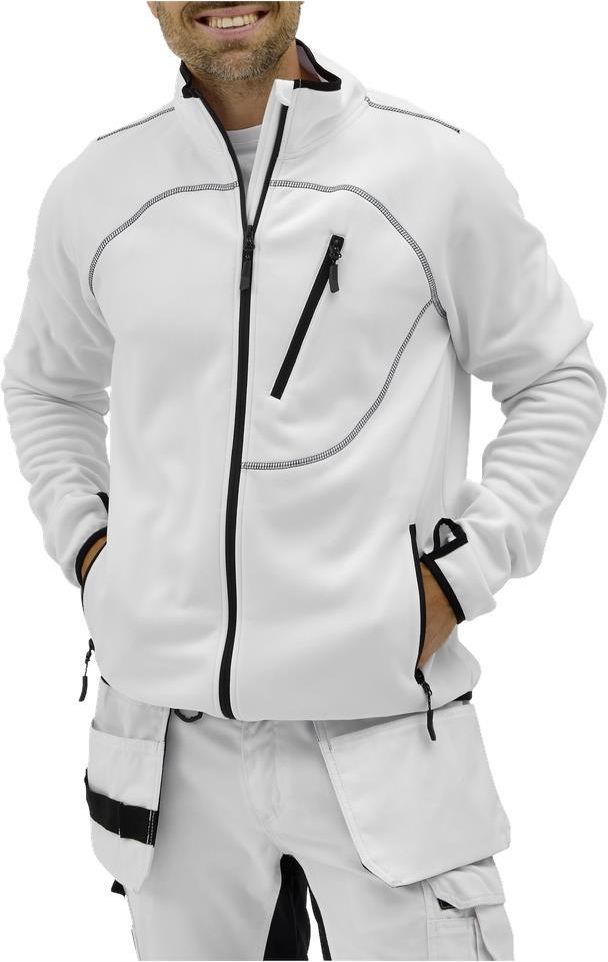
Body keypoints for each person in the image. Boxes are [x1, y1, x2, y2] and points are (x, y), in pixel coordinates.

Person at [2, 2, 604, 959]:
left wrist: (457, 579)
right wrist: (93, 553)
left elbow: (555, 377)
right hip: (167, 744)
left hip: (380, 731)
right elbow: (46, 387)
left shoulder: (435, 169)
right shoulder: (97, 189)